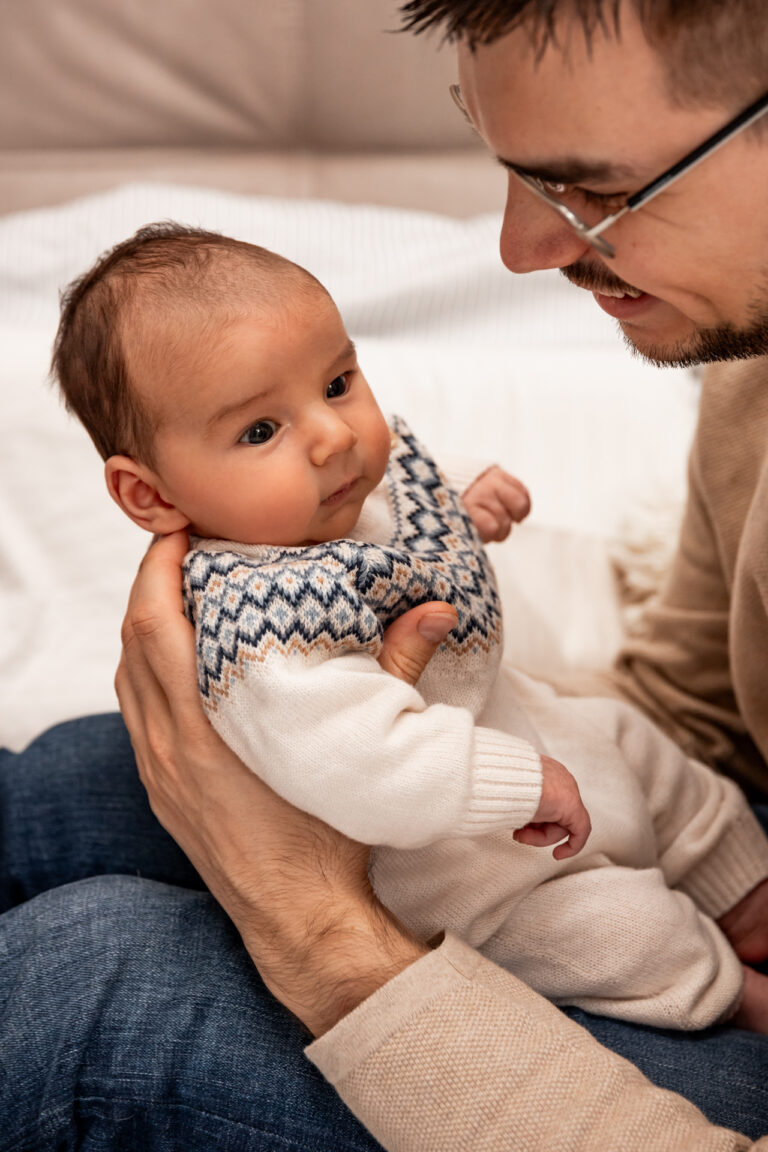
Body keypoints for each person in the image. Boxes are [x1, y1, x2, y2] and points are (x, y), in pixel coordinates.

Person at [6, 0, 768, 1147]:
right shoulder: (751, 355)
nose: (519, 246)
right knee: (76, 777)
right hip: (530, 794)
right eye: (503, 162)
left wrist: (321, 928)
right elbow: (697, 696)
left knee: (87, 979)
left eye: (594, 190)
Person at [54, 221, 768, 1033]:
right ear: (151, 496)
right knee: (616, 931)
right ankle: (729, 997)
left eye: (337, 381)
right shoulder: (256, 629)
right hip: (459, 858)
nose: (333, 437)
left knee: (655, 762)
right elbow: (359, 757)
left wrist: (461, 491)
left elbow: (397, 490)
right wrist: (512, 783)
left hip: (532, 725)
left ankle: (747, 895)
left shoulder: (326, 496)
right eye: (260, 431)